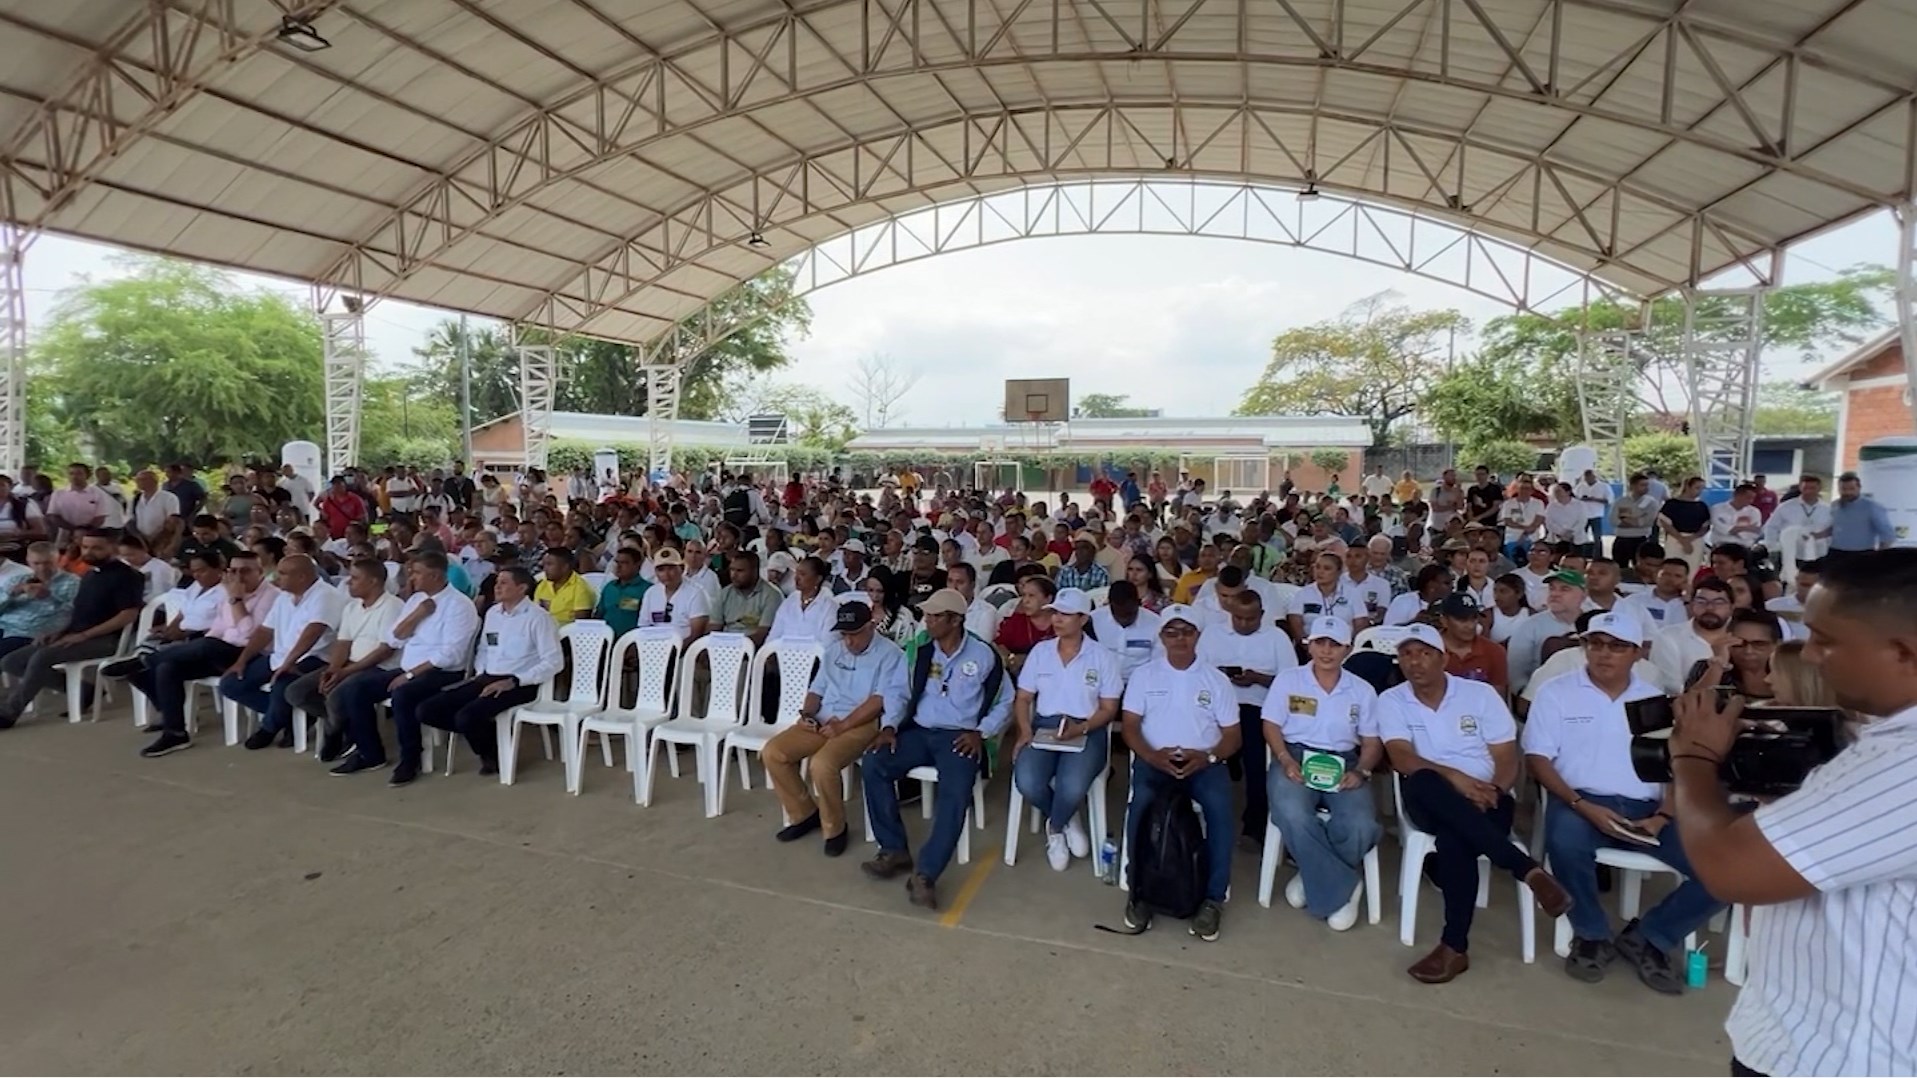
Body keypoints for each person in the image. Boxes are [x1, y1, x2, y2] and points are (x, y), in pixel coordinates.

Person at [1668, 548, 1917, 1076]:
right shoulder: (1882, 741)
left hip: (1840, 1054)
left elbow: (1729, 870)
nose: (1809, 657)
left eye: (1825, 641)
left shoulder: (1905, 762)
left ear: (1905, 652)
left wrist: (1692, 757)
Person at [1524, 610, 1728, 994]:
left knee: (1722, 870)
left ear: (1637, 653)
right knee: (1565, 841)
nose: (1604, 653)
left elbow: (1675, 766)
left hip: (1647, 810)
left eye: (1617, 647)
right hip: (1581, 801)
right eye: (1596, 644)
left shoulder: (1653, 700)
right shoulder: (1557, 691)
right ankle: (1591, 932)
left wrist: (1663, 815)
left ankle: (1652, 936)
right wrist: (1582, 804)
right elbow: (1537, 759)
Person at [1378, 623, 1573, 983]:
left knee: (1456, 840)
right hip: (1431, 798)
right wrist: (1457, 780)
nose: (1414, 662)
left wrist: (1494, 791)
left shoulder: (1480, 696)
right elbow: (1402, 757)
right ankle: (1525, 868)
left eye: (1424, 653)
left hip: (1490, 796)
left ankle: (1454, 948)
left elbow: (1506, 759)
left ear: (1444, 658)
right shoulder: (1392, 700)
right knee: (1422, 779)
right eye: (1406, 654)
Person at [860, 588, 1011, 911]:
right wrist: (889, 726)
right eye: (926, 615)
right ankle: (894, 848)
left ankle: (926, 874)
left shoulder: (984, 655)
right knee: (874, 762)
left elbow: (1005, 702)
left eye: (935, 616)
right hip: (918, 730)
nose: (927, 620)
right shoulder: (919, 649)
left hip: (960, 736)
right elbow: (897, 691)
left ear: (956, 620)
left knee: (955, 793)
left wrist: (980, 733)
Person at [1117, 603, 1241, 941]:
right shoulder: (1145, 675)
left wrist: (1209, 757)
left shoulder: (1216, 680)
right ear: (1161, 636)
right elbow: (1129, 725)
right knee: (1139, 804)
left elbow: (1233, 736)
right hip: (1155, 759)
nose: (1179, 638)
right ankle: (1138, 889)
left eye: (1186, 631)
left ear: (1197, 635)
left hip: (1204, 763)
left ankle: (1213, 898)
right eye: (1171, 632)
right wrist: (1151, 756)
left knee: (1220, 813)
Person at [1262, 616, 1382, 929]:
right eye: (1320, 643)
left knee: (1360, 824)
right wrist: (1285, 759)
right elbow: (1271, 725)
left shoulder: (1362, 690)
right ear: (1309, 644)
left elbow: (1371, 742)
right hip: (1297, 755)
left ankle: (1313, 873)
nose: (1326, 651)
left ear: (1348, 649)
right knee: (1291, 812)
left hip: (1344, 761)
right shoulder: (1289, 680)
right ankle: (1345, 887)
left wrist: (1363, 770)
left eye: (1335, 645)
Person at [763, 596, 904, 856]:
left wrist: (843, 726)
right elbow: (817, 688)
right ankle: (804, 813)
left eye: (855, 634)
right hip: (824, 719)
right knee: (773, 752)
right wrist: (807, 713)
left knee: (822, 764)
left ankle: (835, 827)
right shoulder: (835, 650)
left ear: (871, 626)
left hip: (861, 722)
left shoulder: (890, 654)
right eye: (844, 634)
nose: (849, 640)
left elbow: (879, 700)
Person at [331, 551, 480, 778]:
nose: (412, 578)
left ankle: (410, 759)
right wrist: (417, 615)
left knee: (402, 693)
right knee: (355, 688)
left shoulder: (459, 605)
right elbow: (394, 638)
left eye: (417, 573)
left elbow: (451, 655)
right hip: (409, 668)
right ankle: (370, 754)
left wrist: (410, 675)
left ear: (436, 576)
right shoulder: (416, 601)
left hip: (442, 672)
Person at [409, 566, 563, 780]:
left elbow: (553, 661)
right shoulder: (493, 613)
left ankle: (492, 753)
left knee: (468, 716)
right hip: (487, 676)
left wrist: (515, 681)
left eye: (504, 583)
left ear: (522, 588)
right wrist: (480, 672)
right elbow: (484, 648)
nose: (497, 587)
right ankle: (491, 743)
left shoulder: (538, 618)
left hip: (520, 682)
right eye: (497, 582)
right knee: (428, 710)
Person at [1010, 587, 1123, 871]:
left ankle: (1055, 827)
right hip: (1045, 725)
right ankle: (1064, 818)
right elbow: (1023, 698)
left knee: (1072, 785)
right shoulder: (1041, 652)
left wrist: (1081, 728)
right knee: (1028, 780)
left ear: (1083, 619)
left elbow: (1109, 709)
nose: (1057, 619)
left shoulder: (1103, 657)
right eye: (1055, 613)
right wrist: (1024, 731)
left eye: (1065, 614)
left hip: (1087, 728)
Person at [1196, 588, 1296, 843]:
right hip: (1216, 705)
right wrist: (1222, 676)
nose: (1243, 623)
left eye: (1250, 619)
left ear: (1262, 614)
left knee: (1255, 759)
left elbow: (1292, 683)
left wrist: (1258, 679)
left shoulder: (1277, 638)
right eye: (1238, 617)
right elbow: (1198, 673)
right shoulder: (1213, 633)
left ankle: (1255, 822)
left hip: (1257, 706)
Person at [284, 558, 404, 762]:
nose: (348, 582)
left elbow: (385, 651)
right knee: (296, 692)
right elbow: (342, 643)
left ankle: (336, 734)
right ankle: (346, 728)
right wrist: (332, 669)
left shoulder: (393, 606)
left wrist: (345, 673)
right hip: (350, 664)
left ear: (373, 581)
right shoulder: (352, 608)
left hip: (381, 667)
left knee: (338, 693)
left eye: (355, 578)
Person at [224, 554, 343, 750]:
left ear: (302, 577)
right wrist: (242, 660)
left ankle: (268, 728)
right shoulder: (284, 597)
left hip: (315, 657)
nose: (276, 578)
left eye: (283, 574)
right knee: (230, 683)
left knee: (282, 686)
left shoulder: (326, 595)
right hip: (280, 656)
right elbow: (265, 631)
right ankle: (289, 719)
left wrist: (289, 662)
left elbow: (312, 632)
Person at [0, 541, 78, 661]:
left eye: (48, 563)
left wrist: (49, 597)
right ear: (28, 561)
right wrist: (12, 593)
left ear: (57, 560)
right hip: (5, 627)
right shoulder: (18, 580)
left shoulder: (72, 582)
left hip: (30, 633)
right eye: (36, 563)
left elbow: (72, 613)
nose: (42, 568)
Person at [592, 546, 649, 638]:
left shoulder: (647, 590)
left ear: (637, 565)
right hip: (605, 639)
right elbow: (599, 615)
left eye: (624, 563)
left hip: (632, 641)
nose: (618, 566)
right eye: (617, 562)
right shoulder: (609, 587)